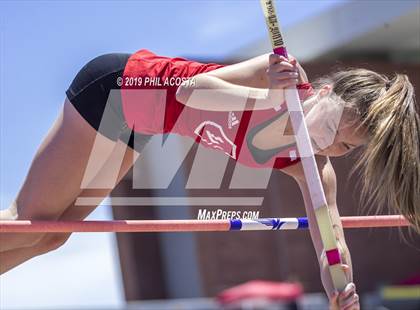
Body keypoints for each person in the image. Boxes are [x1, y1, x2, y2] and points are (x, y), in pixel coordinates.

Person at [1, 49, 419, 309]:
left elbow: (333, 245)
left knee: (53, 236)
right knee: (29, 220)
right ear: (325, 96)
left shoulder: (310, 169)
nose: (327, 146)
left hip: (140, 126)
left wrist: (340, 289)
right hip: (119, 88)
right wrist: (273, 98)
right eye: (334, 130)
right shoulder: (280, 74)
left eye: (343, 148)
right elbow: (190, 92)